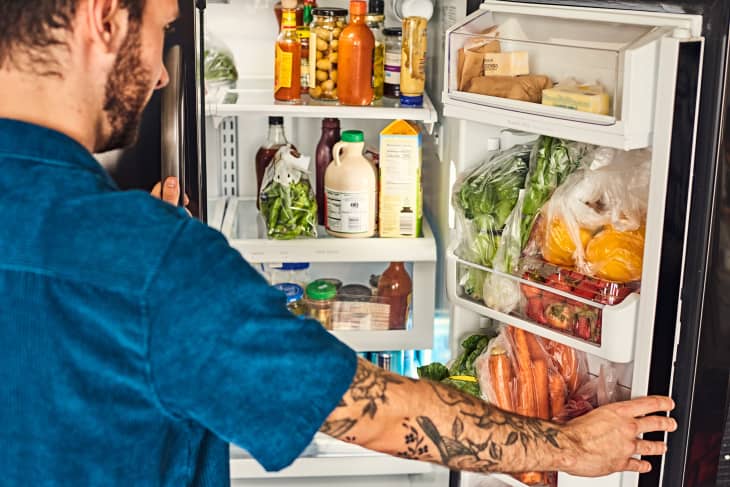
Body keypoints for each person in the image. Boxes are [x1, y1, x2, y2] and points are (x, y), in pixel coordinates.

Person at [0, 0, 676, 485]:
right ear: (106, 17)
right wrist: (572, 445)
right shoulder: (149, 263)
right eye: (162, 31)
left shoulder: (138, 260)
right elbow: (366, 411)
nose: (162, 74)